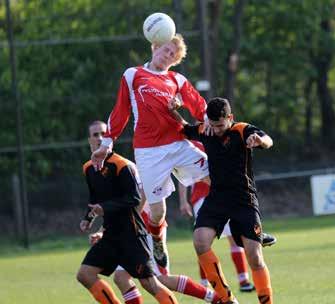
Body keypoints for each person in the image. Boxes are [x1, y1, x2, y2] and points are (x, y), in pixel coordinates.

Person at [91, 33, 210, 269]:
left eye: (173, 55)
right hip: (149, 152)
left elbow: (200, 106)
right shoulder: (133, 74)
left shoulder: (177, 80)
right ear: (155, 46)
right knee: (157, 212)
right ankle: (157, 239)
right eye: (166, 50)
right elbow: (120, 111)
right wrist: (106, 144)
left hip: (178, 144)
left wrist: (212, 120)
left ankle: (246, 222)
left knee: (219, 176)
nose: (168, 56)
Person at [169, 97, 274, 304]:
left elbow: (268, 139)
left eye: (220, 125)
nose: (216, 130)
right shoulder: (206, 130)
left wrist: (260, 141)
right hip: (217, 198)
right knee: (200, 241)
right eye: (213, 124)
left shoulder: (242, 130)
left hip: (244, 199)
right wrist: (174, 109)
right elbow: (184, 128)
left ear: (230, 118)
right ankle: (227, 299)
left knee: (254, 257)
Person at [76, 120, 180, 304]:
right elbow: (94, 199)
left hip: (132, 235)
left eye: (103, 134)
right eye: (95, 134)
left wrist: (105, 208)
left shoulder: (122, 165)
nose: (100, 138)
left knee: (150, 284)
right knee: (85, 274)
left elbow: (135, 199)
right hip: (111, 236)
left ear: (110, 139)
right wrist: (87, 219)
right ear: (89, 140)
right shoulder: (88, 168)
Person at [90, 202, 222, 304]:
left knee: (161, 279)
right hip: (128, 231)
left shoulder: (127, 168)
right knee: (121, 277)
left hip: (146, 228)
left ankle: (216, 298)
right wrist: (104, 230)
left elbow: (137, 200)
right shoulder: (102, 171)